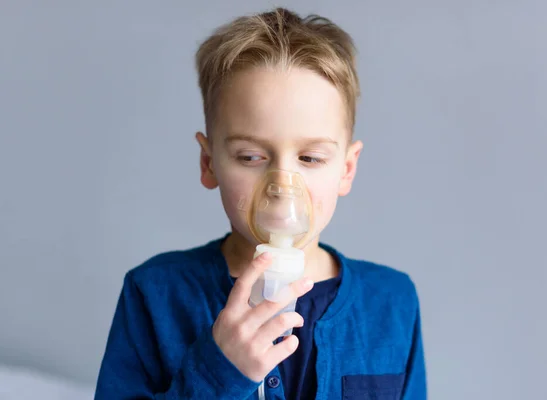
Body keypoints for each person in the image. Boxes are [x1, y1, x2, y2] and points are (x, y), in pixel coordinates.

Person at [95, 7, 426, 400]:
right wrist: (219, 372)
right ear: (208, 162)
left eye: (310, 158)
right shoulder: (154, 294)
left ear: (347, 169)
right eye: (251, 157)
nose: (282, 187)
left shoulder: (391, 303)